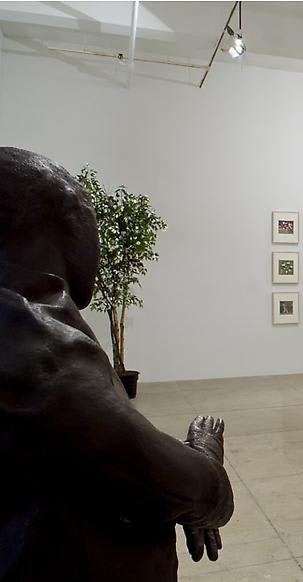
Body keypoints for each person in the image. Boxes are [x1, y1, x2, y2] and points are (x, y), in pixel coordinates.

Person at [0, 147, 234, 581]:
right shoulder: (33, 344)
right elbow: (164, 477)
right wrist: (206, 464)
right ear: (61, 223)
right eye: (83, 215)